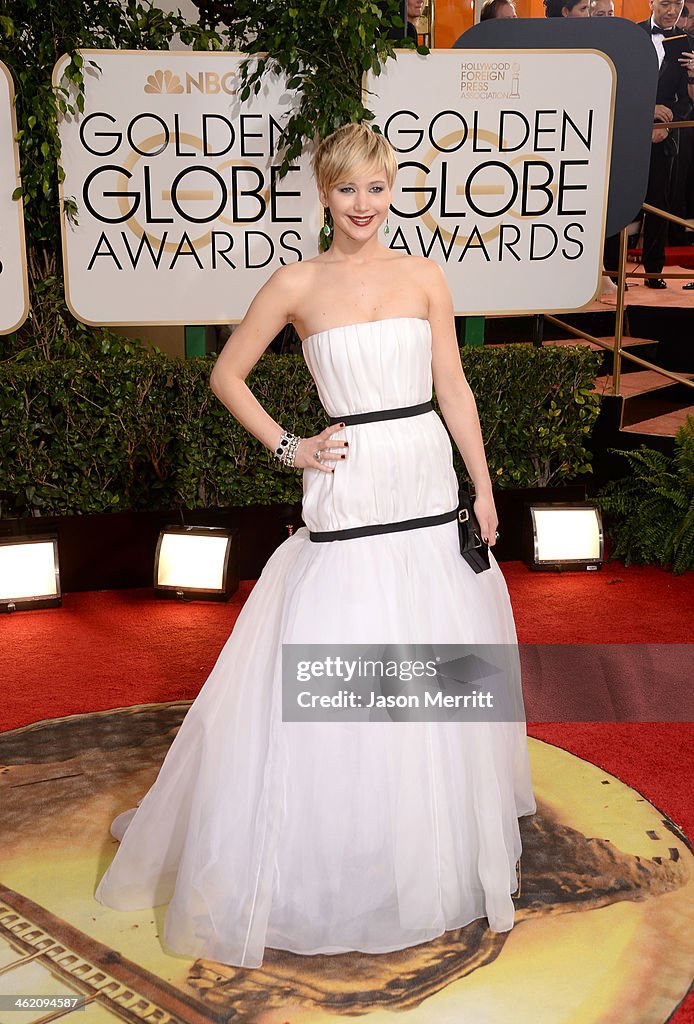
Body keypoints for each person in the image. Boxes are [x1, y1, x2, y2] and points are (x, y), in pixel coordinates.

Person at [94, 122, 536, 969]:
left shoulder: (424, 276)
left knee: (435, 657)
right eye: (346, 189)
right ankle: (340, 849)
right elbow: (228, 374)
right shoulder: (295, 282)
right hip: (349, 489)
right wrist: (289, 446)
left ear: (392, 187)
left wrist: (482, 486)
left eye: (376, 186)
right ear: (323, 192)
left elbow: (453, 385)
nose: (362, 204)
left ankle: (427, 847)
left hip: (425, 485)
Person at [638, 0, 694, 287]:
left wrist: (667, 124)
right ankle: (611, 268)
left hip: (666, 134)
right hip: (630, 131)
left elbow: (687, 99)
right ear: (651, 3)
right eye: (665, 3)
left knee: (659, 200)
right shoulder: (633, 36)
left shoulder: (688, 43)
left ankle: (654, 271)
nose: (672, 10)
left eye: (678, 3)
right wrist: (646, 113)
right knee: (624, 199)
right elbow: (620, 83)